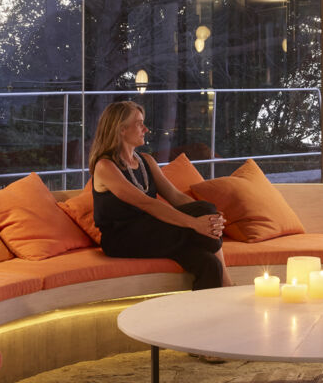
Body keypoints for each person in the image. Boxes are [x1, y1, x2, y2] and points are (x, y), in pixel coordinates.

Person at [87, 100, 227, 290]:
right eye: (139, 123)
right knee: (204, 215)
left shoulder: (146, 161)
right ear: (121, 129)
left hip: (154, 231)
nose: (145, 129)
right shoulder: (105, 166)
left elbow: (176, 197)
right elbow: (147, 204)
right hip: (123, 238)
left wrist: (211, 217)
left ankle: (201, 316)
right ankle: (228, 284)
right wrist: (196, 223)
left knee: (209, 263)